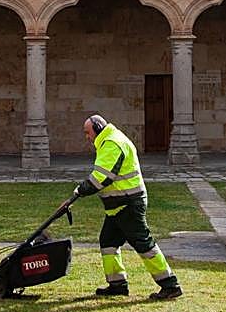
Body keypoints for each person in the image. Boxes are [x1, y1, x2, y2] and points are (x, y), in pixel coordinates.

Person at [74, 114, 182, 300]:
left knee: (143, 243)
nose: (87, 137)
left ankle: (170, 285)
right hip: (119, 205)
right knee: (108, 242)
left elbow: (101, 178)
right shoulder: (111, 139)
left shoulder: (111, 143)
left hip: (128, 204)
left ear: (98, 129)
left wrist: (80, 190)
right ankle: (117, 285)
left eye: (88, 132)